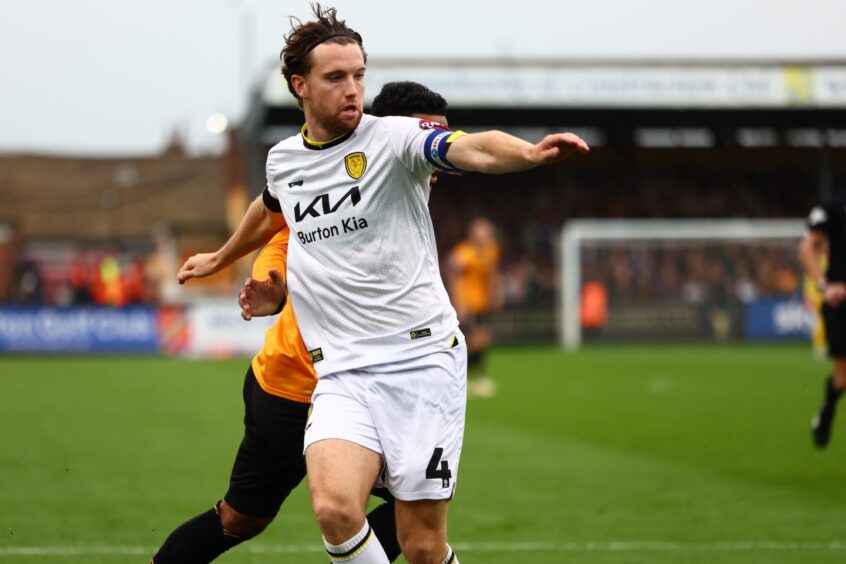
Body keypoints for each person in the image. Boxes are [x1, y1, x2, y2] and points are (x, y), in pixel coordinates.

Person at [176, 5, 589, 563]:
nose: (353, 89)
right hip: (342, 371)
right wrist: (222, 257)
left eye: (359, 75)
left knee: (421, 545)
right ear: (299, 86)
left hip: (420, 368)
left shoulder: (393, 138)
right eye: (336, 77)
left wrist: (530, 153)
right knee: (335, 510)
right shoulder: (285, 161)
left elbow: (469, 146)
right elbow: (269, 208)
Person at [151, 80, 448, 564]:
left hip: (375, 385)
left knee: (419, 507)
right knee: (240, 519)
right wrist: (271, 286)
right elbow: (283, 239)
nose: (433, 153)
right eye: (424, 136)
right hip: (294, 386)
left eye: (440, 139)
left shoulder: (409, 195)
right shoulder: (335, 180)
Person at [800, 196, 846, 448]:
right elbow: (808, 246)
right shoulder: (834, 207)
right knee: (842, 378)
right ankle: (827, 409)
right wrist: (823, 285)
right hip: (840, 302)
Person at [447, 217, 502, 397]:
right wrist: (458, 301)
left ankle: (473, 377)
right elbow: (453, 275)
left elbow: (493, 274)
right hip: (467, 303)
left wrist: (495, 294)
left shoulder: (491, 250)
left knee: (480, 339)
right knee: (470, 339)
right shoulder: (463, 252)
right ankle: (460, 374)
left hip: (481, 303)